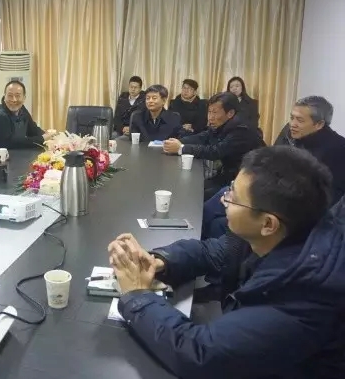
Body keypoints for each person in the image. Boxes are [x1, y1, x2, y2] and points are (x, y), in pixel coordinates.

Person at [108, 146, 344, 378]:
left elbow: (199, 353)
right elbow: (214, 251)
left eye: (234, 198)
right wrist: (160, 261)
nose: (224, 199)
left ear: (268, 224)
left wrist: (137, 296)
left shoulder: (304, 293)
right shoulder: (286, 231)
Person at [204, 96, 345, 240]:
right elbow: (273, 167)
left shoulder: (337, 151)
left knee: (219, 224)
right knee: (223, 195)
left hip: (290, 213)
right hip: (273, 194)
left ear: (319, 124)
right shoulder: (294, 136)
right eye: (292, 118)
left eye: (300, 120)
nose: (293, 124)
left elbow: (325, 202)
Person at [163, 92, 264, 200]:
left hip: (248, 179)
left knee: (197, 194)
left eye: (215, 112)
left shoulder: (241, 129)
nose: (210, 117)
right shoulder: (223, 123)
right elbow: (203, 136)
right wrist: (177, 141)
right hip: (229, 172)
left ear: (230, 113)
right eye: (209, 112)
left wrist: (181, 148)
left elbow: (216, 151)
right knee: (193, 187)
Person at [0, 81, 52, 149]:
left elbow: (33, 129)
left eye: (17, 95)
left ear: (24, 98)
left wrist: (48, 137)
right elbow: (12, 143)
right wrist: (42, 138)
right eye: (10, 95)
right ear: (4, 97)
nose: (14, 100)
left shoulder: (21, 108)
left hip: (17, 152)